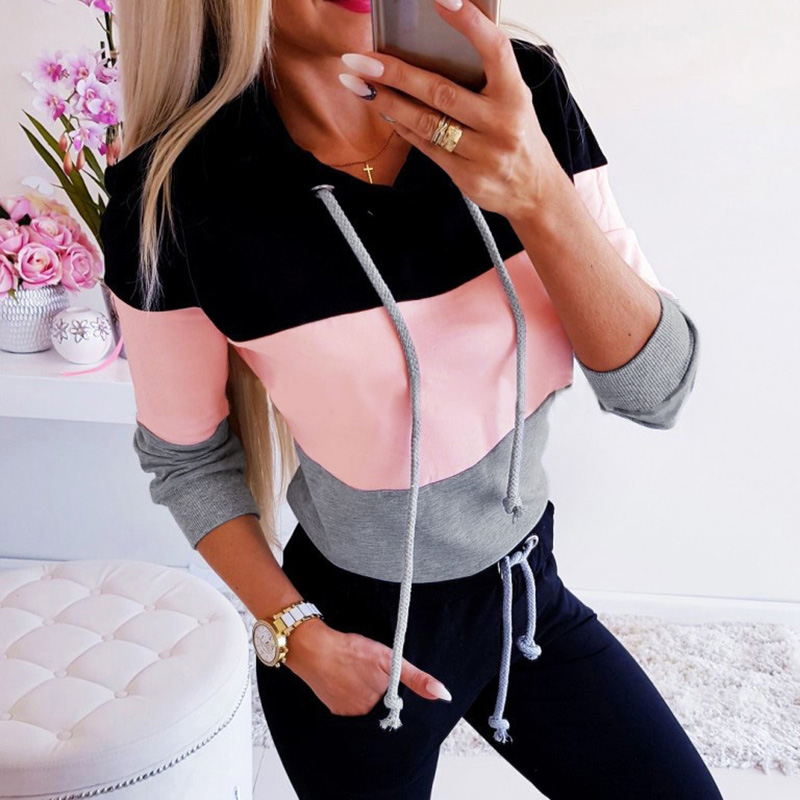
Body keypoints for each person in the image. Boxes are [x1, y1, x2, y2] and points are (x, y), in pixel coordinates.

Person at [100, 1, 721, 798]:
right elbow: (184, 459)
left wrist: (539, 193)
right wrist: (296, 634)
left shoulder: (518, 95)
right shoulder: (172, 196)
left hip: (527, 598)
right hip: (355, 639)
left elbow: (655, 391)